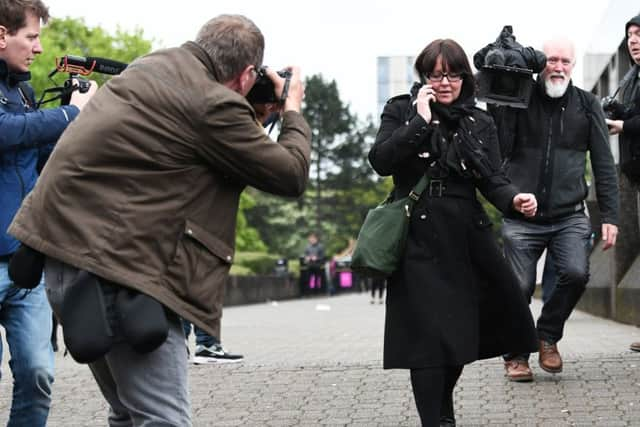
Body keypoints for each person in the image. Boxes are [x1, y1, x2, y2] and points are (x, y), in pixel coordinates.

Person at [8, 14, 310, 426]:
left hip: (64, 261)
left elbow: (189, 152)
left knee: (129, 413)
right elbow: (289, 173)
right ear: (245, 74)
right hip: (118, 276)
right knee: (163, 418)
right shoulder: (212, 102)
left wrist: (251, 113)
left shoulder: (149, 68)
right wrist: (292, 109)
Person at [368, 38, 538, 426]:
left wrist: (514, 200)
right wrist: (420, 120)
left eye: (452, 74)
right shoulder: (400, 109)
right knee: (427, 341)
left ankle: (443, 407)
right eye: (435, 74)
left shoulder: (479, 121)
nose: (444, 82)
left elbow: (493, 179)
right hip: (417, 236)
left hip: (467, 237)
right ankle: (437, 421)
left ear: (465, 76)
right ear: (424, 77)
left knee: (465, 334)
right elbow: (381, 161)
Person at [491, 37, 619, 381]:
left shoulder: (587, 104)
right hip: (522, 217)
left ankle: (547, 335)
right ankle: (515, 355)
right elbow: (500, 145)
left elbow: (604, 164)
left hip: (570, 215)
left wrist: (610, 217)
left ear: (573, 65)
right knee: (518, 287)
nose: (558, 67)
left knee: (576, 273)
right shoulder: (521, 98)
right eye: (552, 60)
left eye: (565, 61)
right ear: (540, 63)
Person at [0, 1, 96, 425]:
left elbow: (40, 158)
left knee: (38, 374)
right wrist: (70, 113)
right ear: (1, 35)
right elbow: (5, 133)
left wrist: (78, 124)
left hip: (25, 260)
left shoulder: (23, 91)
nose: (38, 49)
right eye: (31, 37)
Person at [604, 15, 640, 353]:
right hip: (633, 170)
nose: (634, 40)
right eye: (630, 34)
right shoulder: (631, 76)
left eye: (639, 34)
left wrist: (623, 126)